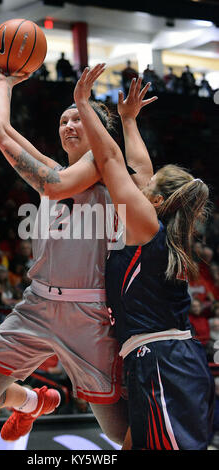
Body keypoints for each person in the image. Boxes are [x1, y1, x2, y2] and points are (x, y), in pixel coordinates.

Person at [0, 60, 156, 448]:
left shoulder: (105, 172)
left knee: (118, 432)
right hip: (37, 305)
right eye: (63, 120)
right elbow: (6, 131)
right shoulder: (50, 169)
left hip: (90, 315)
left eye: (77, 118)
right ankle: (31, 401)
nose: (68, 125)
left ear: (99, 130)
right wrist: (5, 84)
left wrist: (128, 121)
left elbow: (59, 184)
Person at [73, 63, 215, 450]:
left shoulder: (145, 225)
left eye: (146, 186)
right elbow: (139, 167)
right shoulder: (162, 229)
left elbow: (116, 163)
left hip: (162, 362)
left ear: (154, 200)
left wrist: (84, 106)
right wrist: (129, 120)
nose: (141, 179)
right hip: (165, 358)